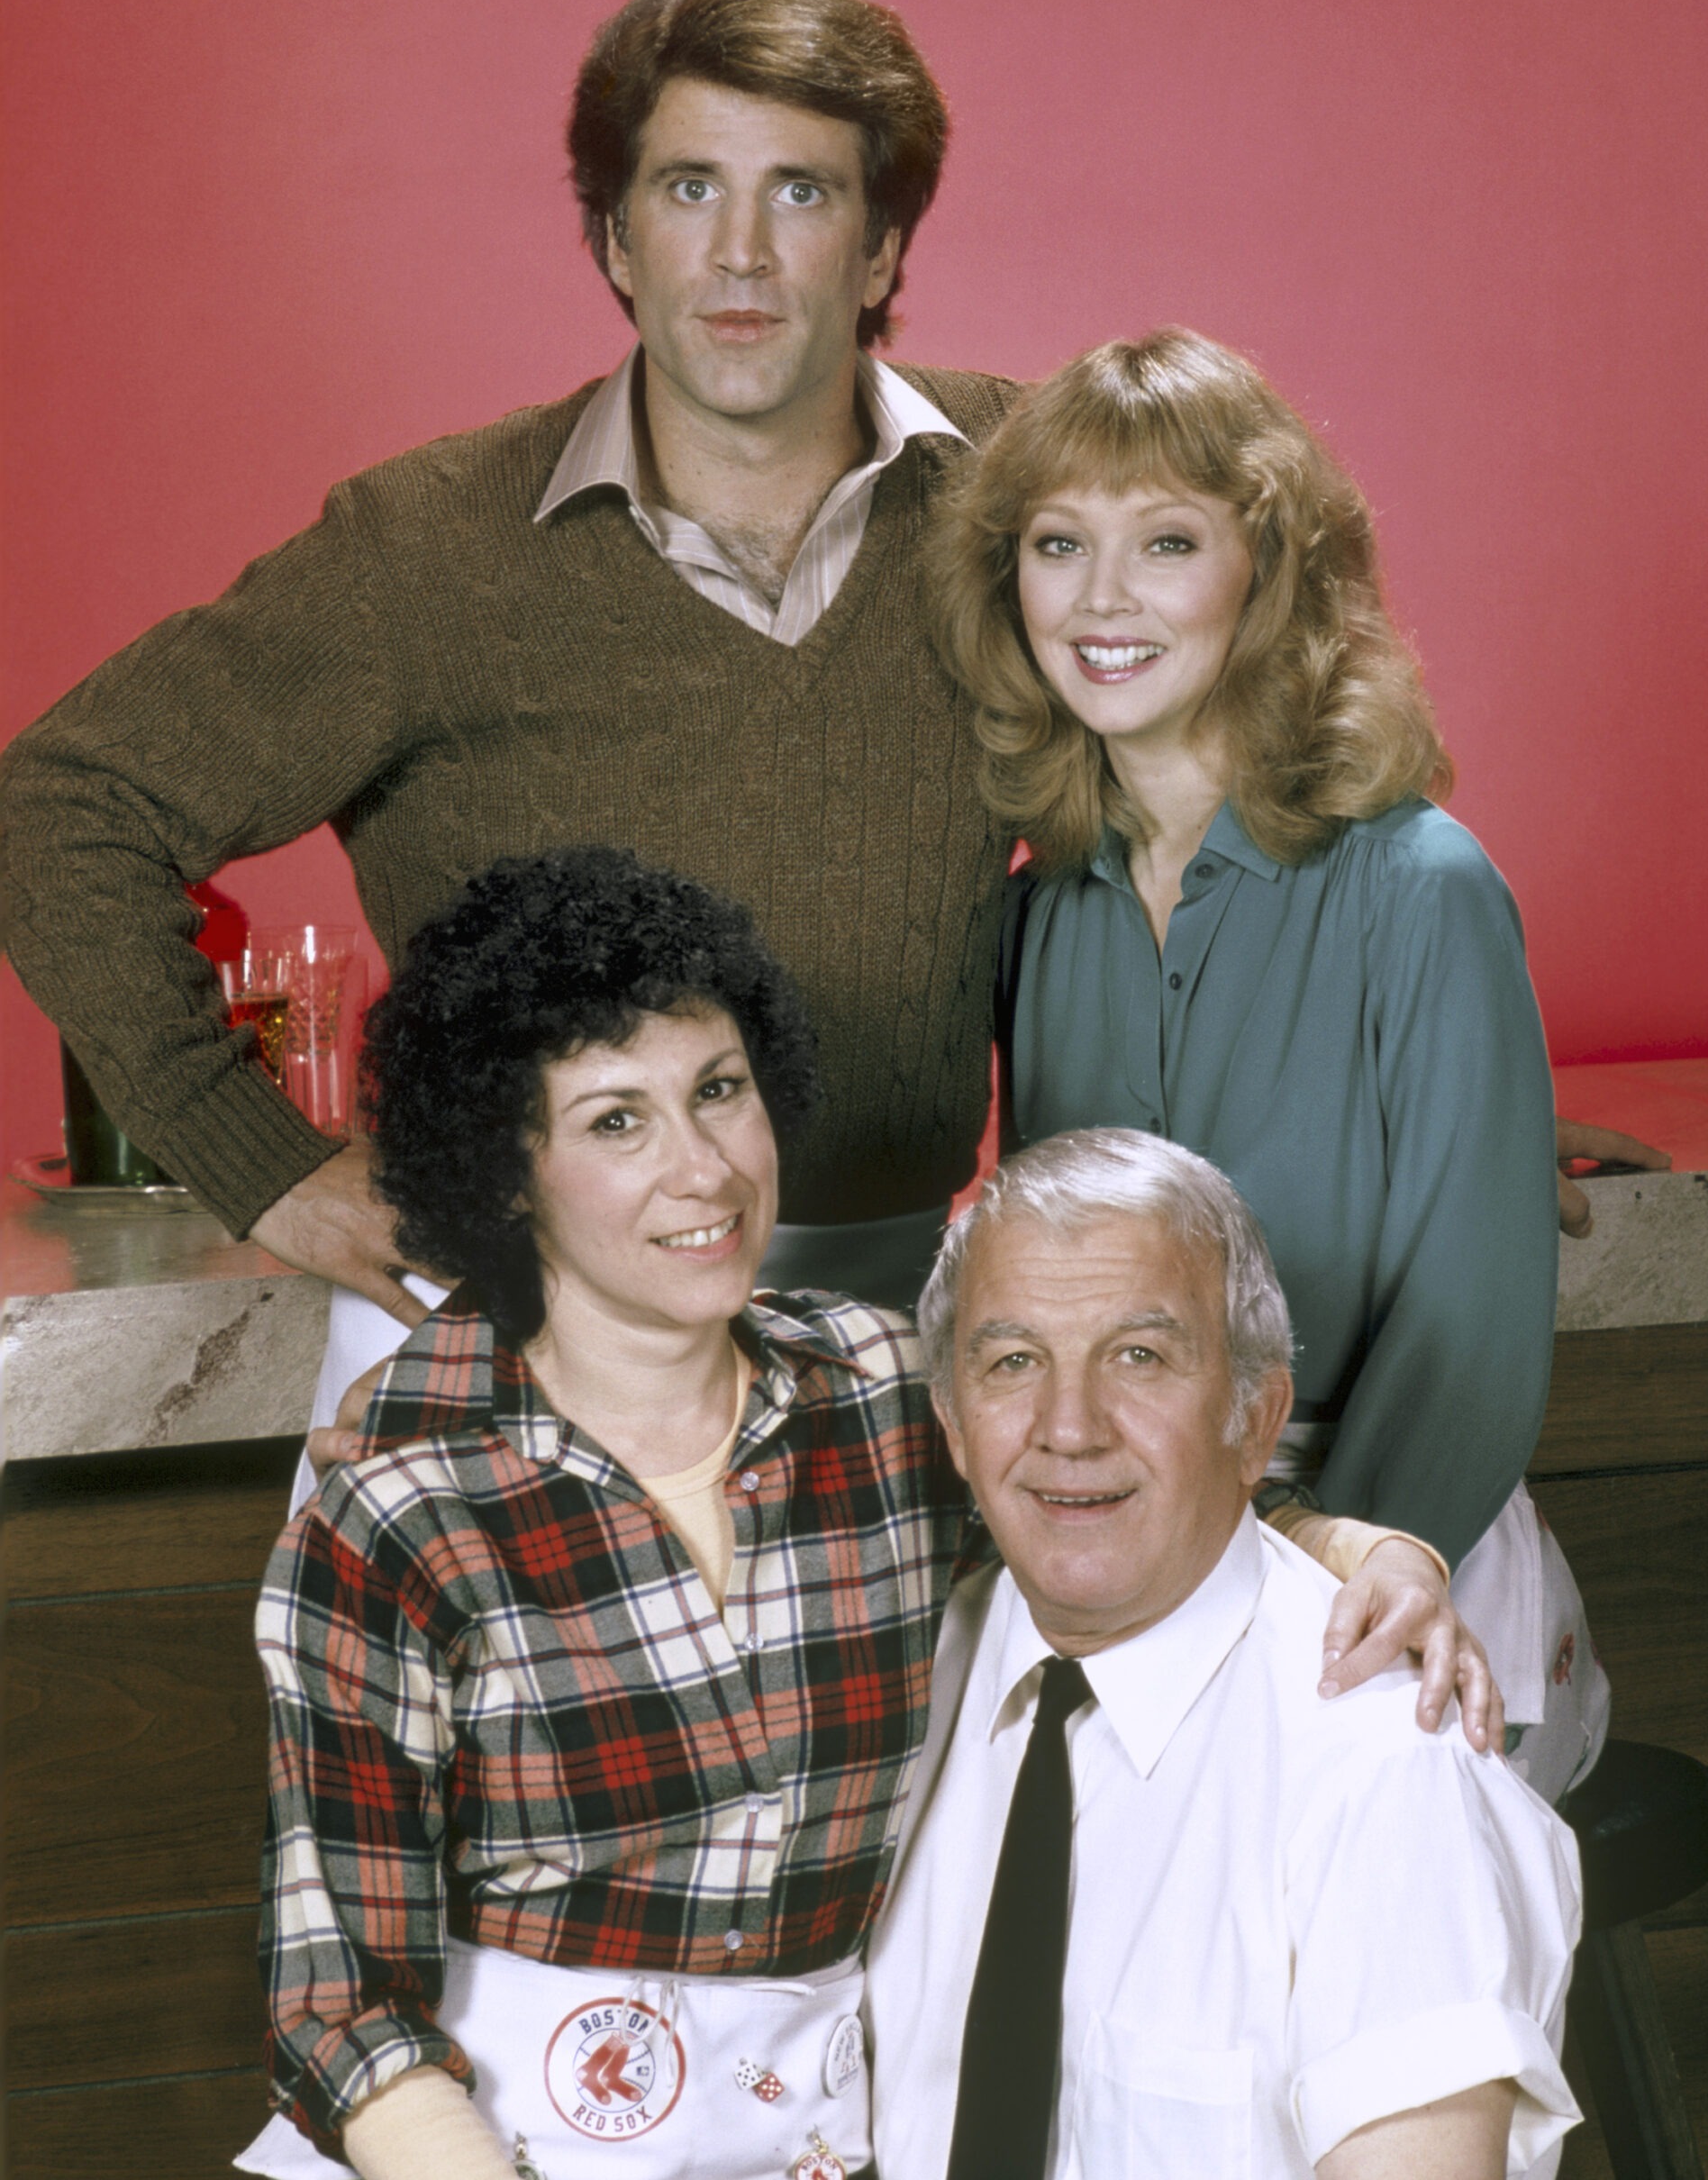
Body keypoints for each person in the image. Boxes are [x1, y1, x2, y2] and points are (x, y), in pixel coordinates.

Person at [0, 0, 1661, 1385]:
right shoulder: (426, 549)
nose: (739, 255)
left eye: (800, 192)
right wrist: (263, 1166)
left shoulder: (1019, 495)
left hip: (898, 1321)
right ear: (613, 241)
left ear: (876, 251)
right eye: (685, 189)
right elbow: (59, 804)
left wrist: (1423, 1104)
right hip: (524, 1331)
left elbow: (1248, 736)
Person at [241, 848, 1489, 2180]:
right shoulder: (398, 1507)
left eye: (718, 1093)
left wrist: (1367, 1547)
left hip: (815, 2138)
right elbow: (339, 2005)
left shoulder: (884, 1391)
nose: (703, 1170)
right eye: (616, 1122)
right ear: (504, 1172)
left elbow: (1122, 1493)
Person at [932, 328, 1613, 1798]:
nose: (1101, 600)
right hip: (1121, 1556)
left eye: (1165, 542)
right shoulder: (1037, 902)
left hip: (1384, 1569)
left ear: (1269, 575)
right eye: (1058, 545)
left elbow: (1468, 1326)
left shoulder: (1420, 887)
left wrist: (1341, 1555)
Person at [865, 1129, 1584, 2180]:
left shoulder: (1382, 1766)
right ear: (955, 1424)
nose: (1069, 1426)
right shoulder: (898, 1670)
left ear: (1255, 1418)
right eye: (1014, 1361)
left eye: (1140, 1357)